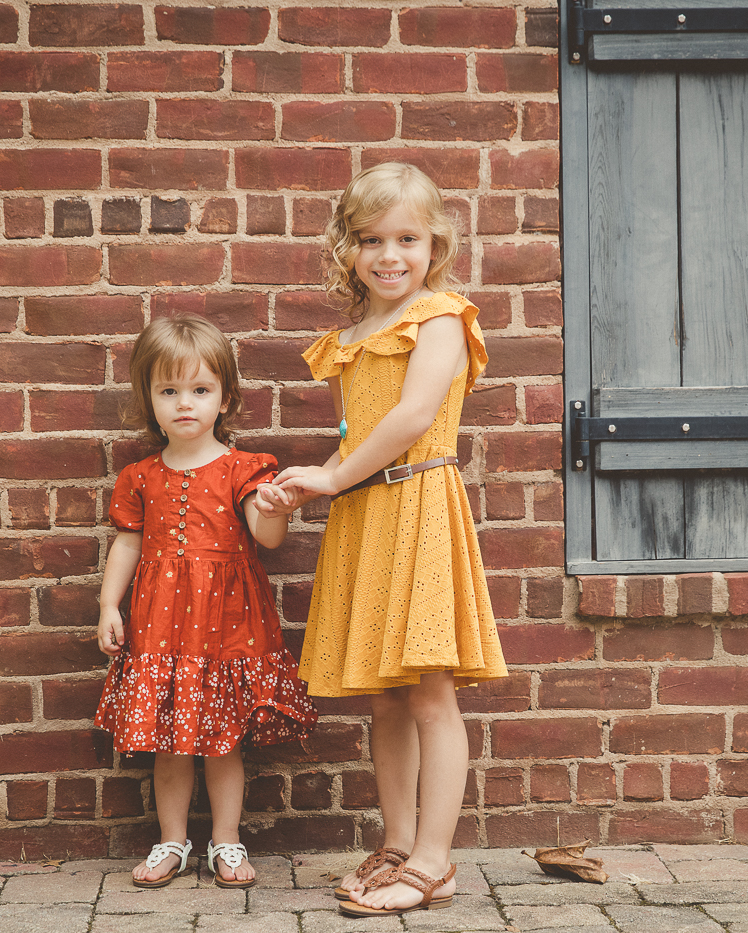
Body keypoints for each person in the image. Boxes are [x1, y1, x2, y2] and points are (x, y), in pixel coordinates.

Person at [268, 162, 507, 918]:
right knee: (387, 697)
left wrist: (335, 478)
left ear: (435, 241)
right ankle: (399, 844)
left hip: (418, 506)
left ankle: (436, 861)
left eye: (407, 237)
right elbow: (357, 436)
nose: (389, 255)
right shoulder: (353, 336)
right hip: (368, 512)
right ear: (347, 246)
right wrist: (318, 476)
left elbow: (410, 419)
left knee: (431, 691)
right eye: (371, 239)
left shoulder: (439, 316)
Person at [94, 314, 316, 890]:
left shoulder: (244, 469)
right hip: (161, 626)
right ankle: (170, 840)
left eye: (199, 390)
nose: (184, 404)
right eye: (169, 391)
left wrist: (275, 509)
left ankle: (227, 841)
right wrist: (108, 606)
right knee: (169, 740)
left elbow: (266, 540)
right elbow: (128, 542)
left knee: (222, 740)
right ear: (148, 397)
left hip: (226, 625)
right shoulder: (140, 476)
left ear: (225, 398)